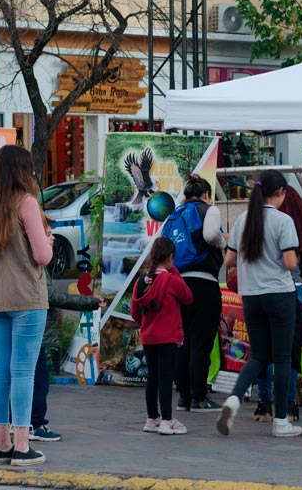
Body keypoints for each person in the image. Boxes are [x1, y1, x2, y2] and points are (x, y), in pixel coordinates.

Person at [0, 145, 52, 467]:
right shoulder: (27, 203)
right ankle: (22, 445)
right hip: (27, 299)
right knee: (23, 372)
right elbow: (43, 256)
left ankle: (1, 445)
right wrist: (48, 236)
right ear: (23, 171)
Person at [217, 170, 302, 438]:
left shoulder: (243, 220)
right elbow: (290, 263)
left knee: (258, 356)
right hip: (280, 295)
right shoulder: (283, 221)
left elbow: (229, 261)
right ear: (280, 193)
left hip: (251, 296)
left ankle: (233, 399)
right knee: (282, 358)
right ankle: (280, 421)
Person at [29, 219, 106, 443]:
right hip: (38, 332)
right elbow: (54, 297)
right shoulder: (38, 264)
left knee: (28, 378)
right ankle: (35, 424)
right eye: (48, 233)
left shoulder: (38, 263)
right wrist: (89, 302)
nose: (53, 238)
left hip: (34, 331)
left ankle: (21, 422)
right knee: (39, 380)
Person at [254, 186, 302, 422]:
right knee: (289, 353)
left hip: (260, 291)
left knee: (262, 350)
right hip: (292, 292)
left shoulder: (259, 223)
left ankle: (264, 404)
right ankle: (290, 405)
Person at [173, 174, 226, 413]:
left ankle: (184, 396)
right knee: (202, 342)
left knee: (183, 341)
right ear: (206, 194)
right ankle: (200, 397)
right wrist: (222, 243)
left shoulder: (177, 213)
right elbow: (211, 235)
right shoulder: (209, 210)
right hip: (204, 284)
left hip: (179, 283)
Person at [132, 237, 193, 435]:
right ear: (171, 257)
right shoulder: (171, 280)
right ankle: (167, 419)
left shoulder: (141, 281)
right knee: (166, 378)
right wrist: (172, 270)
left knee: (153, 377)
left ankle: (152, 418)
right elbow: (188, 297)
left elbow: (134, 311)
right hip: (168, 337)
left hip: (149, 337)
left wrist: (146, 325)